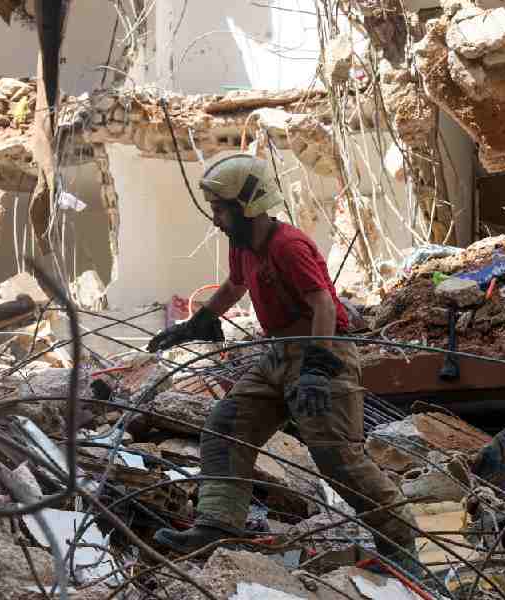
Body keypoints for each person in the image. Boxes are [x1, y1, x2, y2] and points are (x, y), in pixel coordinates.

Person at [148, 153, 419, 574]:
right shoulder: (243, 246)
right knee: (225, 428)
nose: (216, 220)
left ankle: (402, 547)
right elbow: (236, 286)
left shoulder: (287, 245)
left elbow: (323, 304)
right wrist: (197, 322)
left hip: (322, 350)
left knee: (337, 459)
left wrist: (316, 367)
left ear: (246, 206)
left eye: (221, 210)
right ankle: (217, 526)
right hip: (277, 355)